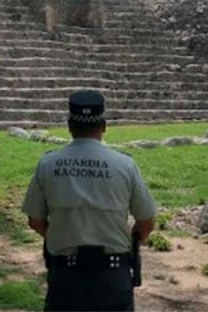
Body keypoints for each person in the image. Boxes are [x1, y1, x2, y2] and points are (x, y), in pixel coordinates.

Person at [22, 90, 157, 312]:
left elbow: (35, 220)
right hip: (113, 275)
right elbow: (146, 222)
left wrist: (61, 237)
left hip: (66, 276)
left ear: (69, 125)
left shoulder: (48, 164)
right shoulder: (124, 165)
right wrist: (132, 242)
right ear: (104, 126)